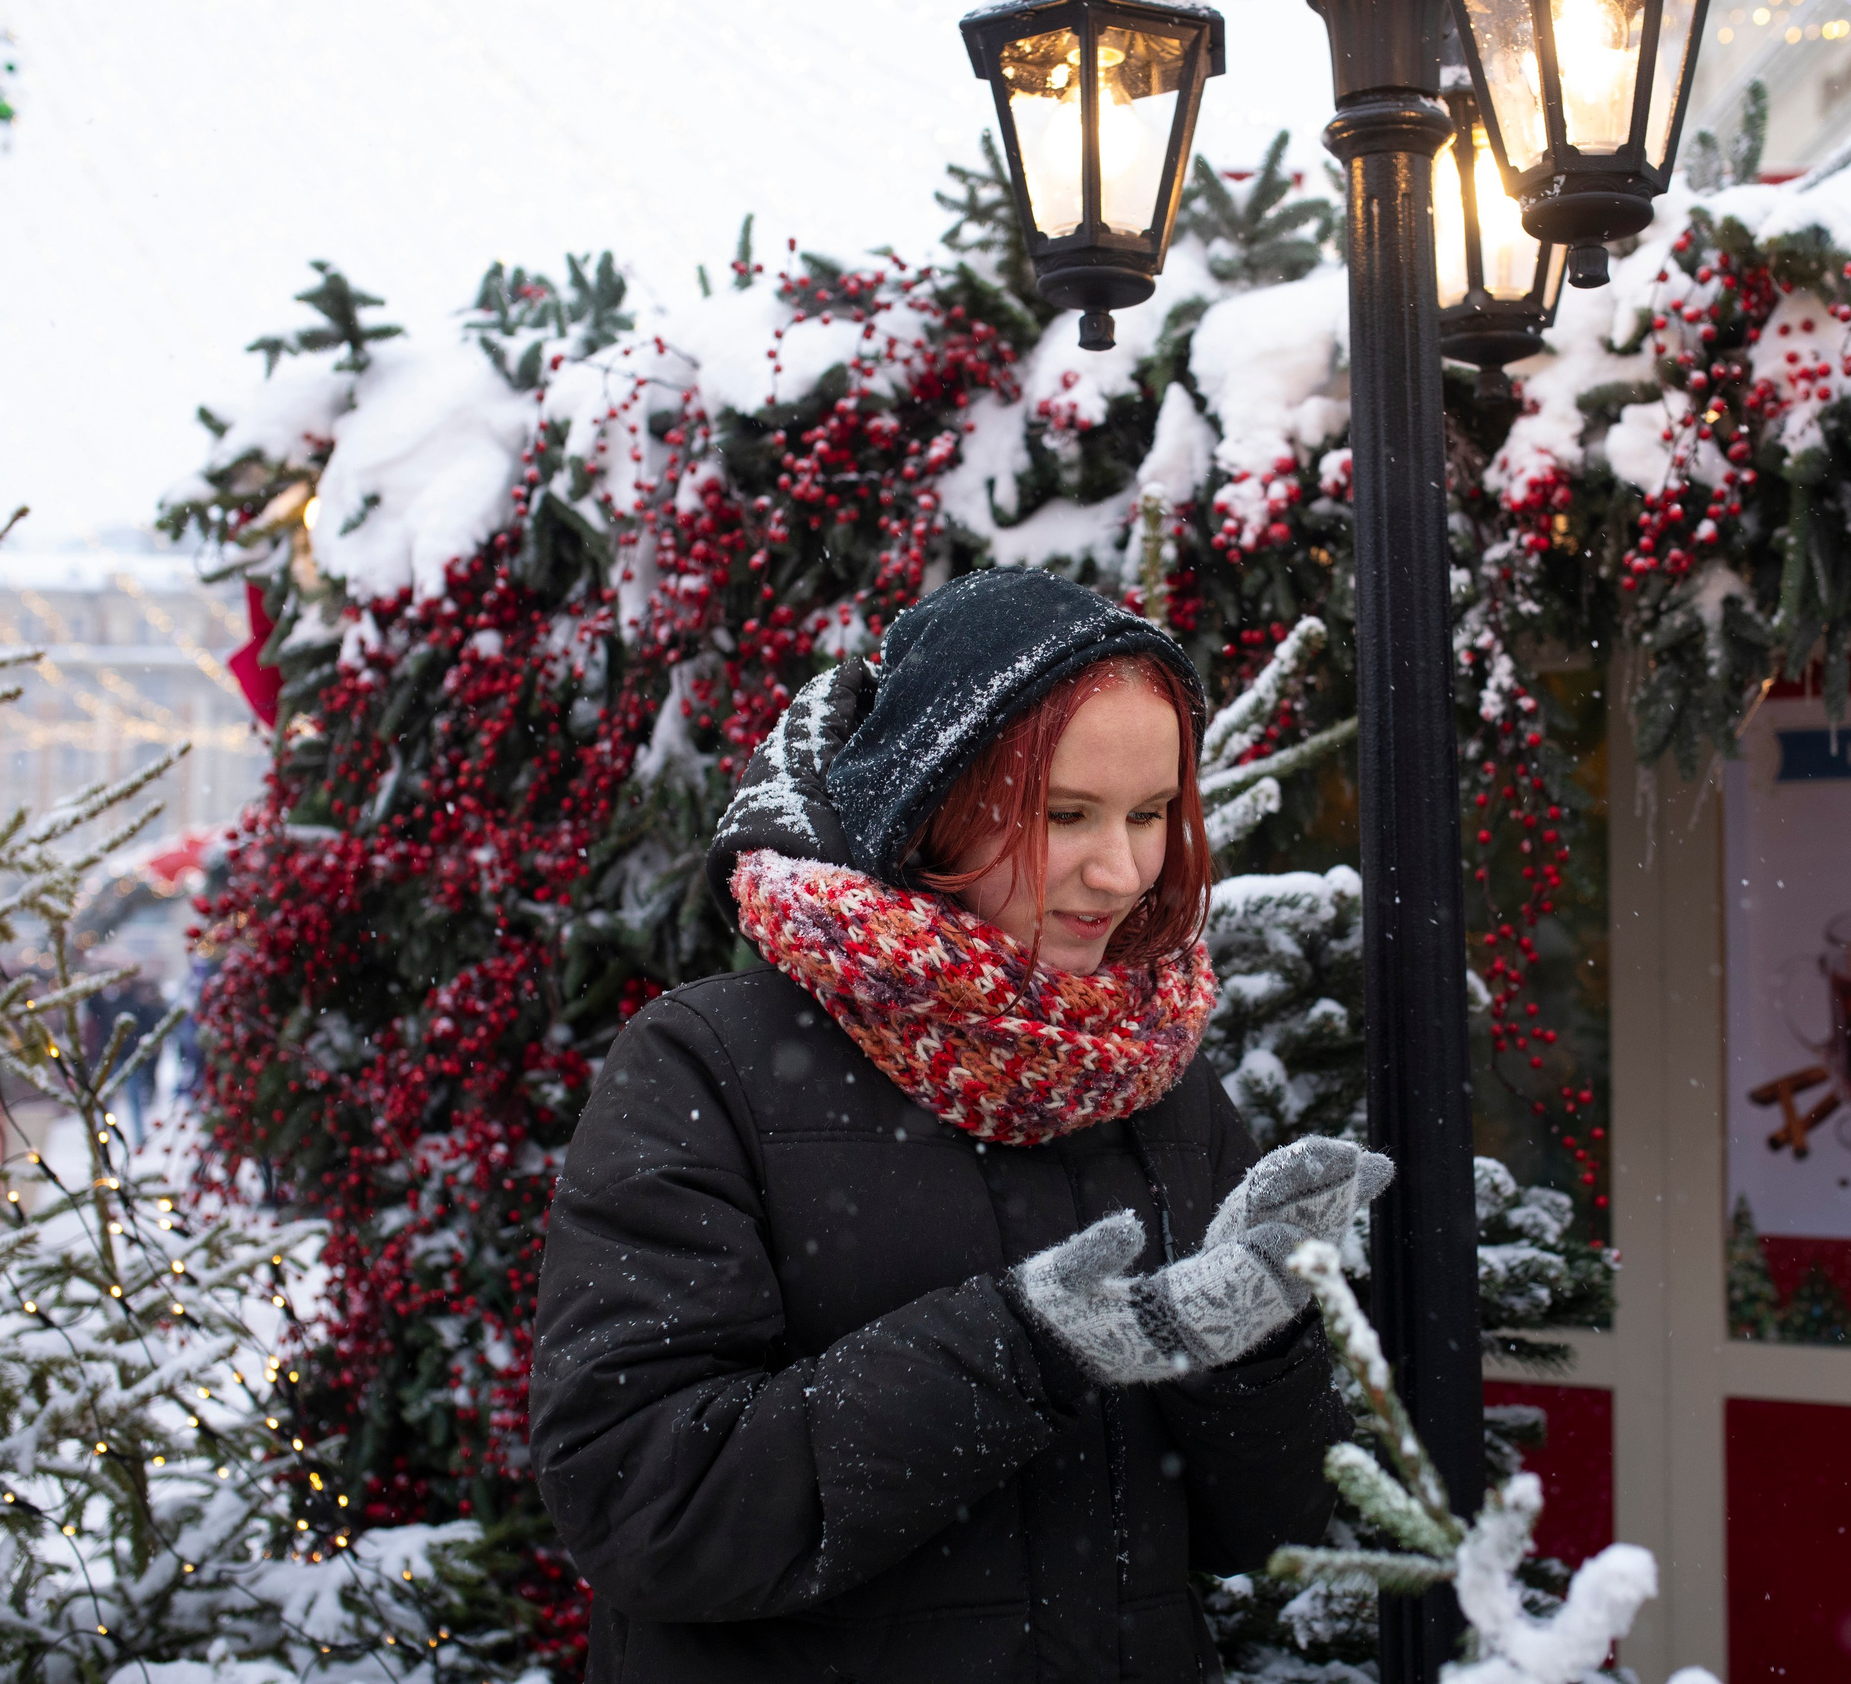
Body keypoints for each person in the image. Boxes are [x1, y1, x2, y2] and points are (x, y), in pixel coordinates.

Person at [531, 566, 1388, 1682]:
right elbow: (647, 1501)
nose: (1121, 871)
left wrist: (1256, 1349)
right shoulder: (712, 1067)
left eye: (1149, 815)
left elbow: (1268, 1540)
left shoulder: (1158, 1079)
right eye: (1064, 815)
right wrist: (1021, 1347)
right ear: (931, 798)